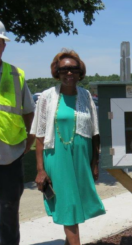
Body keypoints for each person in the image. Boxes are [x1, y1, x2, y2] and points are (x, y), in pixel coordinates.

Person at [31, 49, 105, 245]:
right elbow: (39, 136)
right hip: (57, 157)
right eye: (64, 69)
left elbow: (94, 132)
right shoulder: (47, 97)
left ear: (80, 72)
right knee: (68, 204)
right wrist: (40, 169)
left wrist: (95, 162)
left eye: (73, 69)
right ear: (57, 72)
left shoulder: (86, 96)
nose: (69, 73)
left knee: (76, 202)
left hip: (81, 158)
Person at [0, 21, 35, 245]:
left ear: (3, 45)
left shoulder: (15, 75)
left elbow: (29, 114)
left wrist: (26, 145)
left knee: (8, 212)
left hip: (9, 157)